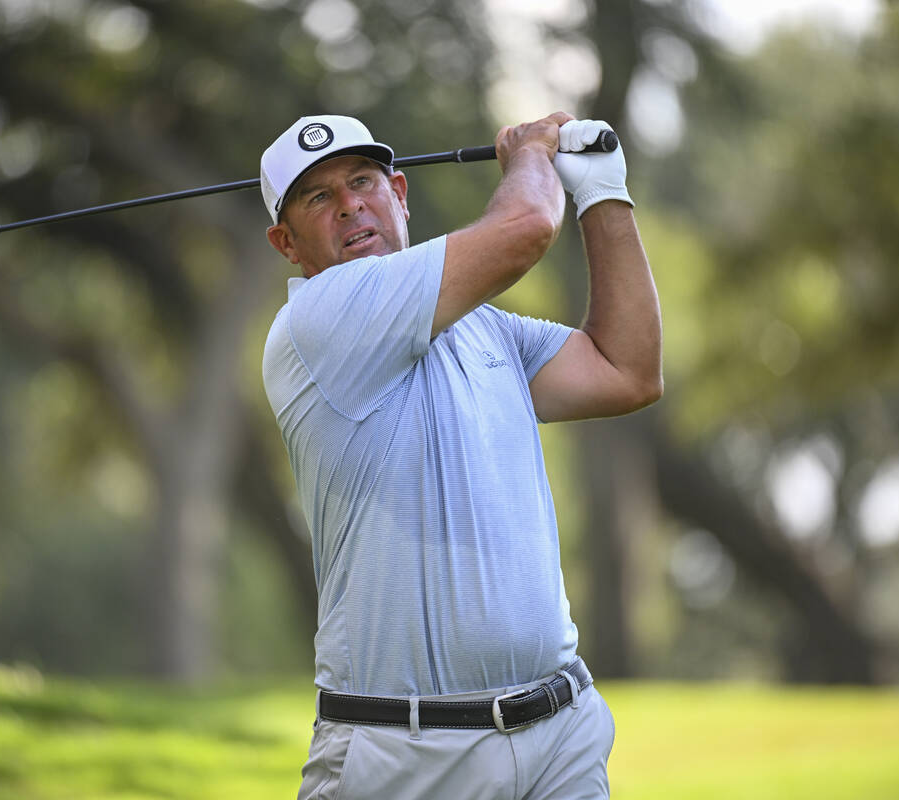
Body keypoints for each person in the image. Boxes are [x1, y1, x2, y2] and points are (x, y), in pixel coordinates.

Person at [259, 111, 662, 800]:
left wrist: (603, 194)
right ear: (286, 242)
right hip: (403, 756)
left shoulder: (488, 330)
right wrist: (531, 155)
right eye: (318, 197)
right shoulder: (318, 322)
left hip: (557, 739)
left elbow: (628, 371)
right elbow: (527, 228)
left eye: (363, 180)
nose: (351, 203)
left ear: (401, 194)